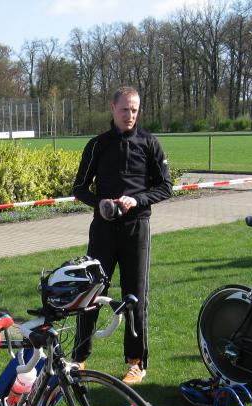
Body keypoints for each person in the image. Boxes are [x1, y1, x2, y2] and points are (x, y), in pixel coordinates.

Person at [71, 86, 172, 385]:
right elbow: (79, 188)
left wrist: (137, 200)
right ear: (113, 108)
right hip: (103, 229)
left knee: (135, 297)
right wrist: (100, 203)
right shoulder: (97, 145)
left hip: (136, 229)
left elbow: (165, 187)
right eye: (125, 109)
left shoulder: (149, 143)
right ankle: (79, 357)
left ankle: (136, 363)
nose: (130, 115)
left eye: (135, 110)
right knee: (91, 293)